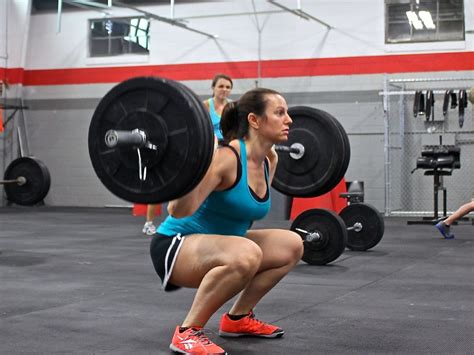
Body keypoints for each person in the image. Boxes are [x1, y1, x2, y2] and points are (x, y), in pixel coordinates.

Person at [150, 88, 304, 354]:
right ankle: (187, 332)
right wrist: (192, 167)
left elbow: (244, 212)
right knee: (247, 253)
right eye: (279, 113)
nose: (289, 119)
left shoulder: (269, 159)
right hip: (175, 247)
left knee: (291, 244)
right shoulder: (225, 158)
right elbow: (177, 210)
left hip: (221, 245)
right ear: (254, 121)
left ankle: (238, 319)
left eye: (287, 113)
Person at [203, 73, 233, 141]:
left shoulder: (233, 105)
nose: (224, 89)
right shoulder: (205, 105)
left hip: (229, 143)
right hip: (211, 143)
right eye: (221, 86)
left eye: (228, 87)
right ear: (213, 88)